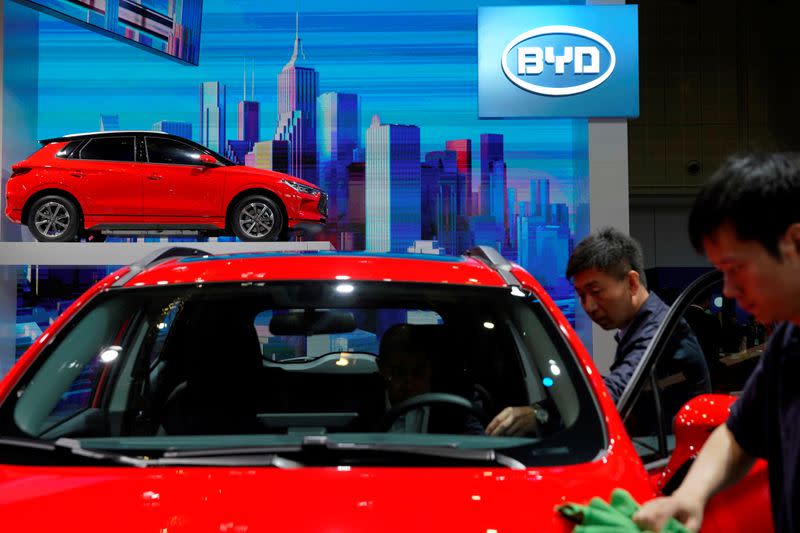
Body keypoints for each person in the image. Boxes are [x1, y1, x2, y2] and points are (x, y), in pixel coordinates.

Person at [633, 152, 800, 533]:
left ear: (795, 242)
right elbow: (738, 433)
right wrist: (689, 496)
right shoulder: (788, 342)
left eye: (736, 268)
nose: (728, 289)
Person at [485, 228, 711, 437]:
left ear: (631, 283)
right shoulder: (639, 327)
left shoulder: (659, 331)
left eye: (595, 291)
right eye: (581, 295)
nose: (589, 306)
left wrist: (540, 415)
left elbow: (616, 394)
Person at [377, 323, 484, 434]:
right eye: (398, 373)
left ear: (431, 368)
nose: (409, 383)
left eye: (419, 372)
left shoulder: (459, 402)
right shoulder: (362, 401)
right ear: (381, 368)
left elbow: (479, 441)